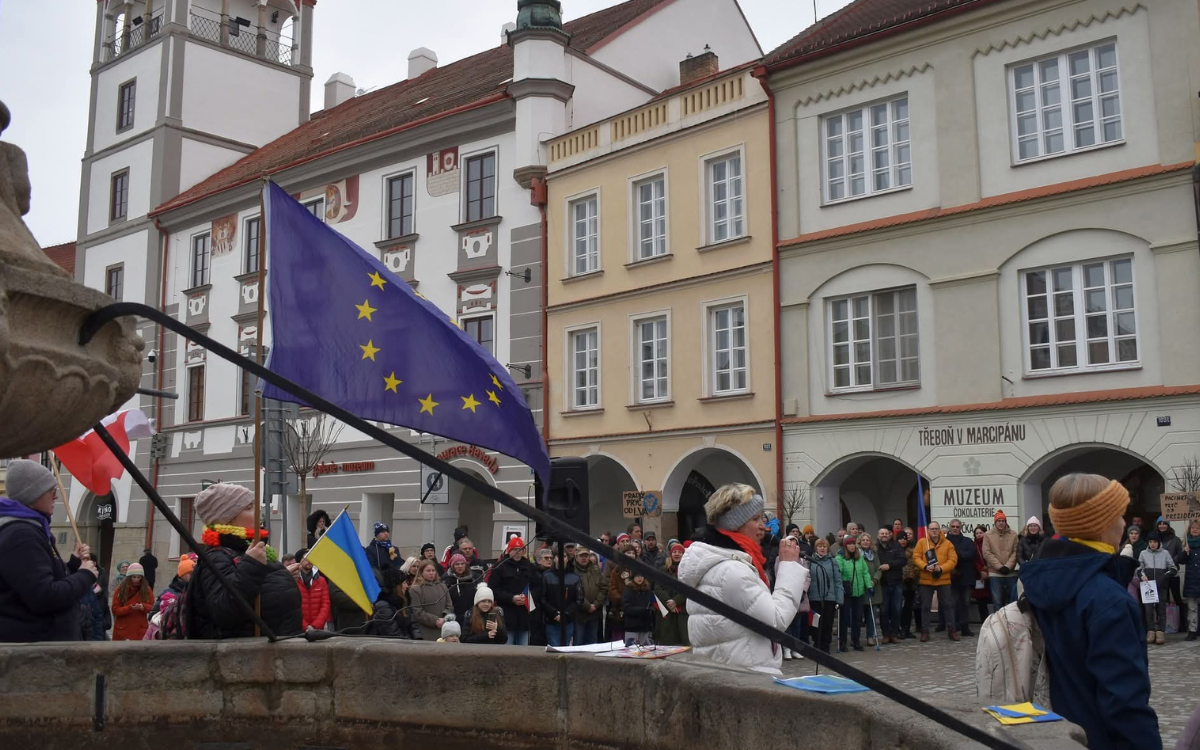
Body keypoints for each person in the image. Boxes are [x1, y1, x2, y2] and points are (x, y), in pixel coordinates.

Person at [1020, 473, 1160, 750]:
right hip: (1098, 739)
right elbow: (1125, 704)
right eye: (1119, 516)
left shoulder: (1037, 583)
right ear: (1101, 524)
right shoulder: (1109, 600)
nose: (1124, 523)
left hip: (1055, 737)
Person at [678, 483, 807, 674]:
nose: (763, 526)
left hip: (733, 671)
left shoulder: (720, 563)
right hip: (746, 673)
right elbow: (775, 621)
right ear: (735, 524)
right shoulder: (731, 571)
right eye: (755, 519)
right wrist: (789, 567)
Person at [0, 459, 99, 642]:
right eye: (51, 491)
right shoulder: (22, 535)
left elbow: (43, 580)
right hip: (37, 649)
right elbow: (45, 596)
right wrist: (85, 575)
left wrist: (74, 564)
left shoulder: (31, 528)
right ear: (33, 494)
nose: (56, 496)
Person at [188, 482, 302, 638]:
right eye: (249, 508)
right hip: (249, 651)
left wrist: (282, 576)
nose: (258, 511)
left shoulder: (250, 548)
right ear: (227, 519)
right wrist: (252, 565)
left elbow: (256, 587)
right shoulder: (216, 557)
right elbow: (224, 611)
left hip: (281, 646)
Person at [912, 520, 958, 641]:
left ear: (939, 530)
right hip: (926, 579)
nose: (934, 531)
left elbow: (953, 560)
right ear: (928, 530)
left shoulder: (948, 544)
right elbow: (916, 557)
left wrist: (942, 568)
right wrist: (925, 566)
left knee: (948, 605)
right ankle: (925, 631)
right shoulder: (922, 543)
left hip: (943, 579)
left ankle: (952, 630)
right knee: (925, 606)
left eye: (936, 529)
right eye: (932, 529)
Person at [488, 536, 535, 645]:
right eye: (514, 549)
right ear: (509, 551)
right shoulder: (499, 567)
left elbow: (538, 586)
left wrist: (527, 597)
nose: (517, 552)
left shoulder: (530, 566)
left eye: (520, 549)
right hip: (507, 617)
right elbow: (493, 589)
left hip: (525, 618)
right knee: (507, 649)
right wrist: (511, 598)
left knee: (524, 650)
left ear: (524, 551)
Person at [1138, 531, 1177, 646]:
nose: (1152, 544)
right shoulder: (1143, 553)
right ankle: (1150, 631)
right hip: (1148, 585)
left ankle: (1160, 631)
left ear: (1159, 542)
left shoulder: (1165, 553)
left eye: (1155, 542)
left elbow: (1173, 568)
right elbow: (1139, 568)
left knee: (1161, 608)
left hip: (1161, 585)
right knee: (1148, 609)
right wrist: (1142, 576)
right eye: (1150, 542)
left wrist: (1164, 577)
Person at [807, 537, 842, 654]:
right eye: (820, 546)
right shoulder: (810, 562)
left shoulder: (832, 562)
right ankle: (817, 645)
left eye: (824, 546)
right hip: (815, 598)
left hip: (829, 598)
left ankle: (826, 646)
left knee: (827, 623)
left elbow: (838, 581)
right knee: (816, 623)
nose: (822, 548)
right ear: (816, 548)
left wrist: (839, 598)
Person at [836, 535, 869, 652]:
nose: (852, 546)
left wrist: (869, 586)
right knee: (844, 618)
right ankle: (843, 642)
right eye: (849, 544)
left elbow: (865, 572)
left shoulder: (859, 558)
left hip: (859, 591)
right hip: (847, 591)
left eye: (853, 544)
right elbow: (838, 572)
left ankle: (856, 641)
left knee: (857, 618)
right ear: (845, 546)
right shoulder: (840, 557)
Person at [946, 519, 978, 637]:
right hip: (951, 577)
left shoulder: (968, 541)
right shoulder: (945, 542)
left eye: (957, 527)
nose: (955, 528)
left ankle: (965, 627)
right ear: (950, 527)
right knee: (952, 603)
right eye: (953, 526)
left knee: (965, 602)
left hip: (966, 577)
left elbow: (971, 554)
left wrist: (959, 554)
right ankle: (953, 628)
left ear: (961, 527)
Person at [653, 542, 689, 647]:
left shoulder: (687, 571)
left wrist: (676, 601)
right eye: (675, 552)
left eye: (679, 552)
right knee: (667, 643)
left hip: (682, 611)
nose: (677, 554)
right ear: (670, 554)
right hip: (666, 611)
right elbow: (657, 588)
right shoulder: (663, 570)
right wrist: (669, 602)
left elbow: (688, 589)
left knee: (684, 643)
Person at [982, 511, 1018, 612]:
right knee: (997, 601)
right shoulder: (988, 535)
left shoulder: (1013, 534)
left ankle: (1012, 619)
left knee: (1013, 600)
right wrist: (999, 567)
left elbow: (1016, 552)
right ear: (995, 522)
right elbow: (987, 553)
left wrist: (1008, 566)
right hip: (995, 573)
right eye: (999, 521)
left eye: (1003, 521)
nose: (1001, 523)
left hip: (1010, 573)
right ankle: (999, 620)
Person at [367, 567, 418, 638]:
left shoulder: (404, 601)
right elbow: (392, 633)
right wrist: (410, 642)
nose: (407, 586)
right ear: (396, 587)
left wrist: (418, 638)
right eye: (404, 583)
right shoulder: (384, 606)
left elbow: (412, 623)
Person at [408, 559, 451, 641]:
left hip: (444, 629)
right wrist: (435, 621)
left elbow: (449, 605)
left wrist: (445, 618)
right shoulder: (415, 590)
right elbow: (417, 612)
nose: (431, 573)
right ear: (421, 572)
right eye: (428, 571)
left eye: (433, 570)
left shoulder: (443, 586)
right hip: (426, 631)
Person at [875, 527, 905, 644]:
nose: (884, 535)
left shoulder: (897, 546)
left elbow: (902, 560)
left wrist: (890, 565)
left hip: (896, 583)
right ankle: (885, 634)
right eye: (882, 534)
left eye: (886, 533)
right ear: (878, 536)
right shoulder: (875, 549)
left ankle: (894, 634)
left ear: (890, 535)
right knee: (884, 611)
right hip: (882, 583)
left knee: (896, 610)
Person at [573, 545, 607, 646]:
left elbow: (604, 588)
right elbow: (573, 592)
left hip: (594, 613)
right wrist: (587, 606)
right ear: (576, 557)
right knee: (578, 642)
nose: (584, 558)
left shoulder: (596, 569)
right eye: (581, 556)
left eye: (586, 556)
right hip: (579, 613)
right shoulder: (572, 570)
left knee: (592, 643)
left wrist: (595, 604)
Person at [1156, 517, 1188, 624]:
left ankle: (1182, 623)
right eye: (1160, 524)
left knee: (1177, 598)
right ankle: (1163, 623)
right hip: (1160, 574)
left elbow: (1181, 558)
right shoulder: (1155, 539)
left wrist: (1174, 559)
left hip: (1173, 574)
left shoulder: (1175, 539)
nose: (1162, 526)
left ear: (1168, 525)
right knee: (1162, 599)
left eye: (1164, 523)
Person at [110, 562, 153, 640]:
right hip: (123, 628)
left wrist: (143, 606)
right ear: (129, 577)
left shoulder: (146, 589)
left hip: (139, 628)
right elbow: (115, 609)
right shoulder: (120, 590)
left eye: (139, 577)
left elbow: (152, 607)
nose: (136, 579)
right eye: (134, 577)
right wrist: (129, 607)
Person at [295, 548, 331, 632]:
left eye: (311, 557)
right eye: (305, 558)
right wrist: (305, 626)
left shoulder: (321, 581)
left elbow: (325, 604)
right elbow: (292, 607)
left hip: (317, 630)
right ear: (299, 561)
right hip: (299, 630)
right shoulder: (294, 581)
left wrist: (315, 626)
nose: (309, 560)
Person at [858, 532, 881, 646]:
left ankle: (870, 636)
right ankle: (856, 637)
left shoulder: (874, 554)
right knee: (858, 614)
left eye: (867, 540)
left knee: (871, 614)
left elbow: (879, 569)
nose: (865, 542)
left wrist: (874, 580)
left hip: (872, 587)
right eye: (863, 540)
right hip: (859, 587)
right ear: (859, 542)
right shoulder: (856, 554)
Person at [621, 571, 655, 646]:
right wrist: (641, 610)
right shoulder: (628, 590)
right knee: (631, 649)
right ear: (633, 577)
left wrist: (651, 610)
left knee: (646, 650)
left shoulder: (647, 590)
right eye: (637, 576)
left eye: (642, 576)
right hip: (632, 626)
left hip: (645, 627)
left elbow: (653, 603)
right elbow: (626, 608)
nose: (640, 578)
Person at [443, 553, 477, 626]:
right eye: (457, 564)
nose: (460, 566)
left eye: (462, 564)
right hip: (454, 618)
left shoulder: (473, 579)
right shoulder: (447, 581)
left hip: (471, 617)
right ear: (452, 566)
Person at [899, 531, 919, 639]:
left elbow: (916, 565)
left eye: (904, 539)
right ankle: (899, 629)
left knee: (908, 607)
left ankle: (906, 629)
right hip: (899, 583)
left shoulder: (912, 552)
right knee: (899, 608)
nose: (903, 541)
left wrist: (912, 575)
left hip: (911, 583)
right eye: (900, 539)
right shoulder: (895, 551)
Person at [972, 525, 992, 625]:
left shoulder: (990, 543)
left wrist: (987, 571)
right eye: (977, 533)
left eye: (981, 533)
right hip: (979, 576)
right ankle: (984, 621)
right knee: (981, 600)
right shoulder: (973, 545)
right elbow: (974, 560)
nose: (979, 535)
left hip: (991, 573)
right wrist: (981, 571)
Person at [1184, 520, 1200, 641]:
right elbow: (1179, 560)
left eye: (1197, 528)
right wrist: (1185, 553)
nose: (1195, 530)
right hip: (1191, 580)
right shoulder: (1186, 544)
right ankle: (1192, 630)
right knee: (1192, 607)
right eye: (1193, 528)